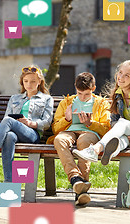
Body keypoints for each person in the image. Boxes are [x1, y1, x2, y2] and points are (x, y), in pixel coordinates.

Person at [73, 60, 130, 166]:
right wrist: (121, 130)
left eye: (127, 75)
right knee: (120, 140)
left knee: (123, 122)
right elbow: (113, 121)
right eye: (120, 72)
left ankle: (95, 149)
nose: (121, 77)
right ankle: (111, 153)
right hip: (129, 138)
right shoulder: (118, 95)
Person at [46, 72, 111, 206]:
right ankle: (76, 179)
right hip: (69, 131)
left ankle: (80, 191)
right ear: (75, 88)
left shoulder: (101, 103)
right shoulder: (67, 102)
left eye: (86, 94)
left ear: (93, 89)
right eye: (80, 93)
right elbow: (55, 129)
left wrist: (90, 123)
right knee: (59, 140)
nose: (82, 97)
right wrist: (67, 119)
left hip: (90, 132)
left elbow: (106, 128)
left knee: (84, 141)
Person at [0, 66, 54, 182]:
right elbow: (7, 118)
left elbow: (47, 122)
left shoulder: (46, 99)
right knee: (9, 136)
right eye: (26, 81)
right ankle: (9, 184)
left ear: (39, 82)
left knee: (8, 121)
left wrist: (30, 123)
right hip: (14, 133)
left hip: (32, 135)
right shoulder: (15, 98)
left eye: (33, 81)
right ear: (22, 82)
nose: (29, 84)